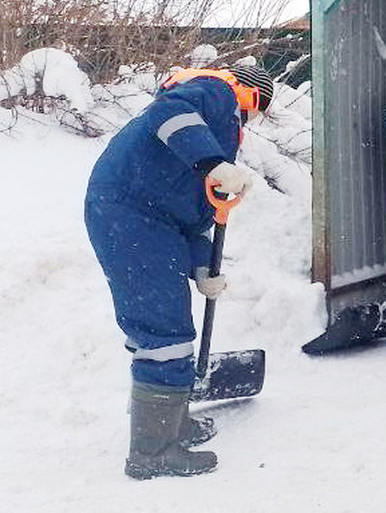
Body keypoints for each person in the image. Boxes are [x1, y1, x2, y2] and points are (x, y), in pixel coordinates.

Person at [84, 64, 274, 479]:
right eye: (259, 111)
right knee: (164, 334)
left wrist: (202, 263)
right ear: (254, 97)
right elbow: (167, 114)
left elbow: (186, 216)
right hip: (132, 218)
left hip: (149, 220)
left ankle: (173, 423)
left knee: (168, 326)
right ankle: (152, 452)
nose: (253, 121)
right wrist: (212, 162)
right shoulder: (216, 91)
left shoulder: (212, 125)